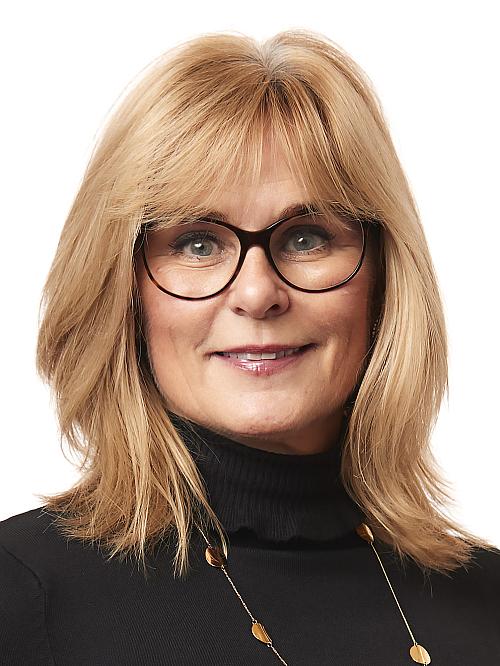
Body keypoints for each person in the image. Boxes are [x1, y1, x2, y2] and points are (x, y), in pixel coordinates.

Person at [0, 28, 499, 666]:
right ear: (124, 290)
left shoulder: (489, 601)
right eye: (198, 243)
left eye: (307, 237)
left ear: (384, 276)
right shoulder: (21, 598)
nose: (258, 294)